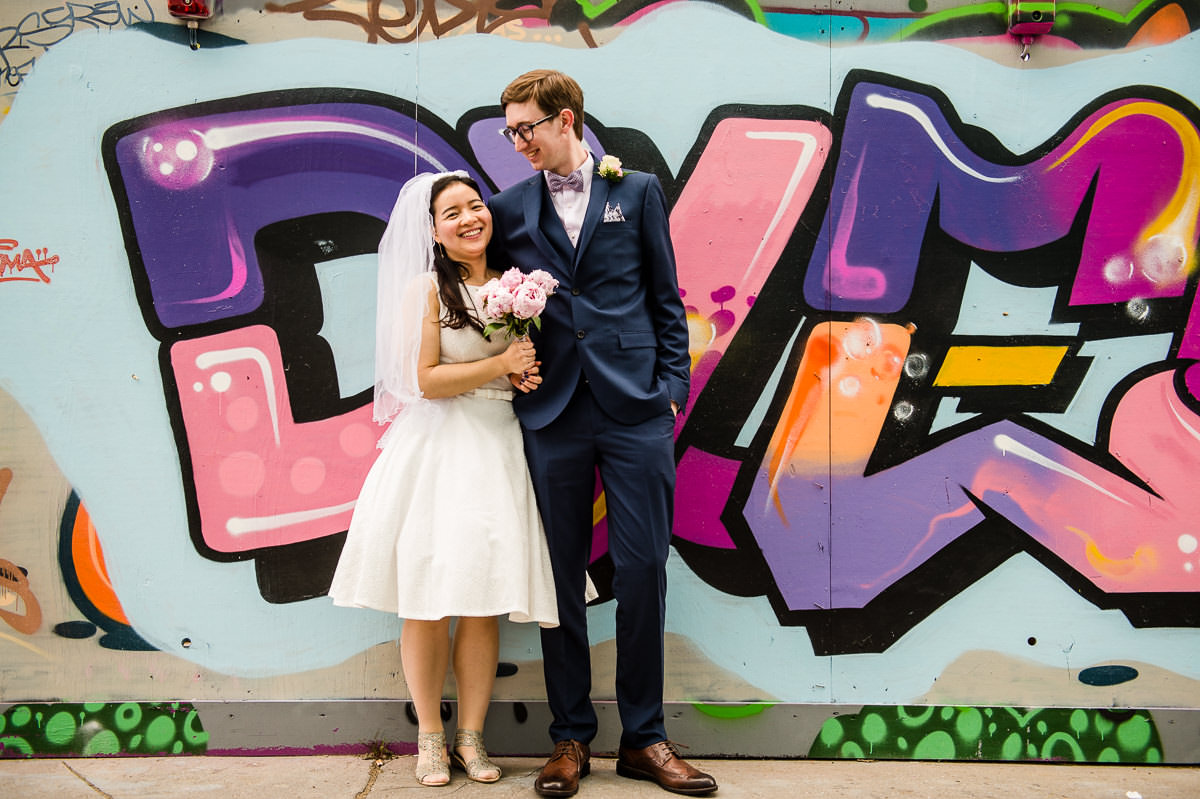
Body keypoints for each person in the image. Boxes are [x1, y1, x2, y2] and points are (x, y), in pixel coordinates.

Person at [488, 70, 718, 797]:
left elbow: (664, 298)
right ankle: (569, 737)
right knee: (559, 578)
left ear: (566, 119)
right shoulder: (509, 206)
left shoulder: (638, 190)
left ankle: (646, 737)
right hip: (552, 413)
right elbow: (491, 302)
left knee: (644, 564)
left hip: (636, 411)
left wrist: (671, 394)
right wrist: (511, 366)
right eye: (509, 131)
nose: (516, 141)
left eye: (525, 127)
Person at [329, 171, 559, 787]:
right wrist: (502, 363)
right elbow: (424, 380)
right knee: (427, 601)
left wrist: (522, 373)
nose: (467, 218)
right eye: (451, 212)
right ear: (432, 230)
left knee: (483, 603)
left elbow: (515, 368)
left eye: (474, 206)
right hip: (439, 450)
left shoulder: (518, 287)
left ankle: (472, 738)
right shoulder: (427, 290)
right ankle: (430, 738)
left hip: (498, 446)